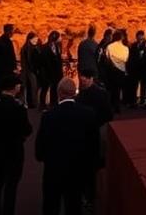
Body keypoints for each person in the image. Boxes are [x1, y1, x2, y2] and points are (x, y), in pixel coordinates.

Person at [35, 77, 99, 215]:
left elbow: (40, 146)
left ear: (59, 93)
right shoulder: (88, 114)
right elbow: (94, 144)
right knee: (74, 205)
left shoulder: (48, 116)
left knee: (51, 205)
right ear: (74, 93)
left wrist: (42, 157)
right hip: (78, 168)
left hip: (53, 169)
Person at [0, 74, 32, 215]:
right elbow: (27, 129)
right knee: (11, 185)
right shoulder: (19, 108)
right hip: (15, 149)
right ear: (14, 87)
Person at [74, 66, 112, 208]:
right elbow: (109, 114)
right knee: (94, 167)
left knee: (86, 168)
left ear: (90, 78)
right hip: (97, 132)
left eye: (83, 78)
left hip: (87, 134)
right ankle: (92, 198)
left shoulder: (80, 97)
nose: (81, 80)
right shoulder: (102, 94)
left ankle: (87, 197)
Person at [104, 29, 129, 114]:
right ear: (122, 38)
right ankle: (118, 106)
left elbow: (107, 58)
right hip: (121, 70)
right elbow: (125, 59)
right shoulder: (126, 49)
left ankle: (111, 106)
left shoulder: (109, 47)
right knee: (118, 89)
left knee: (111, 89)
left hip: (111, 70)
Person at [38, 31, 62, 109]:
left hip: (56, 72)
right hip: (47, 71)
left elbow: (58, 58)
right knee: (45, 87)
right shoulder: (45, 47)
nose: (60, 39)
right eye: (59, 37)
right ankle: (42, 104)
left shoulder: (58, 46)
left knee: (54, 87)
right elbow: (44, 60)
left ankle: (53, 103)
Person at [126, 30, 146, 108]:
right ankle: (134, 101)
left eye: (141, 37)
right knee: (134, 85)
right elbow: (131, 57)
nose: (139, 38)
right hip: (135, 69)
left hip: (143, 68)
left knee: (143, 85)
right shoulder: (133, 45)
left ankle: (143, 100)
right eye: (138, 37)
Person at [20, 31, 41, 108]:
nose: (36, 40)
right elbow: (26, 61)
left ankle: (33, 102)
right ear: (29, 39)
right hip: (29, 71)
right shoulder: (26, 49)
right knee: (31, 87)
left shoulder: (36, 48)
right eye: (34, 38)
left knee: (34, 87)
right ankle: (31, 103)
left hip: (35, 71)